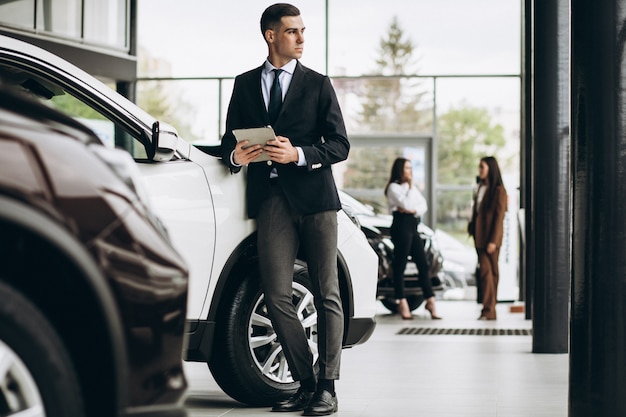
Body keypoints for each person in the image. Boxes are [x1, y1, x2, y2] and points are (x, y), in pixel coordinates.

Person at [220, 3, 349, 415]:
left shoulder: (318, 84)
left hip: (316, 201)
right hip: (272, 201)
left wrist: (298, 153)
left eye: (303, 30)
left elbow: (339, 145)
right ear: (270, 35)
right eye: (292, 31)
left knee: (327, 293)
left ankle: (327, 386)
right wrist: (238, 156)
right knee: (276, 294)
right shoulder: (243, 85)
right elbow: (227, 145)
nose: (301, 38)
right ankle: (305, 382)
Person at [384, 157, 441, 320]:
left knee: (423, 264)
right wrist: (411, 203)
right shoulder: (393, 188)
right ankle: (402, 302)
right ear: (400, 170)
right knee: (400, 266)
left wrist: (412, 209)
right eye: (407, 168)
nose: (410, 172)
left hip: (413, 225)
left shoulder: (411, 188)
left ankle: (430, 301)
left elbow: (423, 206)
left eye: (411, 168)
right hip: (400, 226)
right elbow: (409, 205)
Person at [467, 156, 508, 320]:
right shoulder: (479, 188)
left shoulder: (499, 191)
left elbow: (499, 218)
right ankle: (489, 309)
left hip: (491, 238)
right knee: (487, 273)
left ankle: (489, 309)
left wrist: (493, 240)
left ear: (490, 168)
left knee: (490, 272)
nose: (480, 170)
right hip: (479, 236)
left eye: (482, 167)